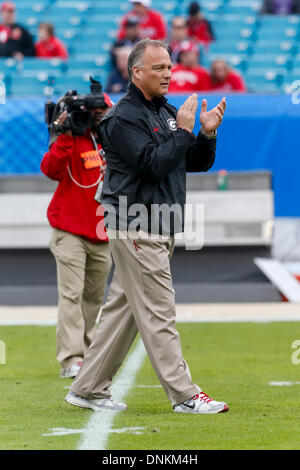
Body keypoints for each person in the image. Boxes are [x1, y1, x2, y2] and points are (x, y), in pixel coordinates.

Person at [65, 39, 229, 415]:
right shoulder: (122, 117)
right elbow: (153, 164)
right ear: (136, 71)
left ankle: (87, 387)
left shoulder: (165, 111)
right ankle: (185, 394)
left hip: (158, 224)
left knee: (122, 311)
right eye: (159, 68)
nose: (168, 73)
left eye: (169, 67)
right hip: (136, 224)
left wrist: (205, 133)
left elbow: (192, 162)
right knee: (159, 310)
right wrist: (184, 133)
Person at [41, 84, 113, 379]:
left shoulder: (110, 141)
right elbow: (50, 169)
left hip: (101, 232)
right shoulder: (71, 138)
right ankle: (71, 358)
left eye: (102, 112)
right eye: (93, 112)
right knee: (71, 295)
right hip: (69, 229)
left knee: (94, 299)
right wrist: (66, 135)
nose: (97, 117)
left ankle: (87, 354)